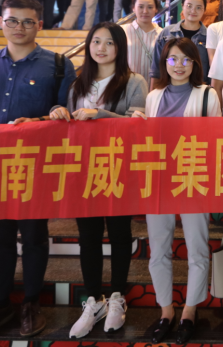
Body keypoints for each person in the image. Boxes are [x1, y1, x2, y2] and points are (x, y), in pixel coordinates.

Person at [0, 0, 76, 345]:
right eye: (12, 20)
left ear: (40, 25)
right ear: (0, 22)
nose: (19, 27)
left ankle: (31, 304)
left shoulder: (57, 65)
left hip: (34, 167)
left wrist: (41, 119)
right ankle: (1, 306)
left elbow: (65, 112)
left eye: (27, 21)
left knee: (35, 237)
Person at [13, 23, 146, 338]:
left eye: (109, 43)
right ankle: (94, 300)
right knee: (88, 236)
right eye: (96, 41)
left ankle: (117, 298)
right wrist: (56, 112)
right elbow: (68, 120)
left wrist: (101, 115)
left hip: (119, 169)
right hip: (84, 170)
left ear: (120, 48)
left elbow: (138, 125)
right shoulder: (77, 84)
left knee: (120, 233)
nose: (101, 48)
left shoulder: (134, 81)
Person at [133, 38, 220, 345]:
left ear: (195, 64)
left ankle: (189, 312)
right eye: (172, 59)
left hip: (195, 179)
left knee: (197, 248)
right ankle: (166, 311)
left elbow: (217, 140)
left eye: (186, 59)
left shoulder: (207, 95)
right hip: (158, 180)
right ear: (164, 63)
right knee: (159, 249)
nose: (179, 65)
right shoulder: (154, 97)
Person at [150, 0, 209, 86]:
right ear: (182, 6)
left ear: (204, 10)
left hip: (198, 88)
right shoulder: (167, 32)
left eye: (198, 7)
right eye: (189, 6)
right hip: (169, 87)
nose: (193, 11)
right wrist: (154, 92)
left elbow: (212, 70)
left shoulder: (209, 36)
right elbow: (156, 68)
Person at [122, 0, 163, 87]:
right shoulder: (123, 31)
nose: (145, 11)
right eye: (140, 7)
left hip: (153, 88)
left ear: (156, 9)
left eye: (150, 7)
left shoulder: (162, 34)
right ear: (133, 8)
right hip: (127, 88)